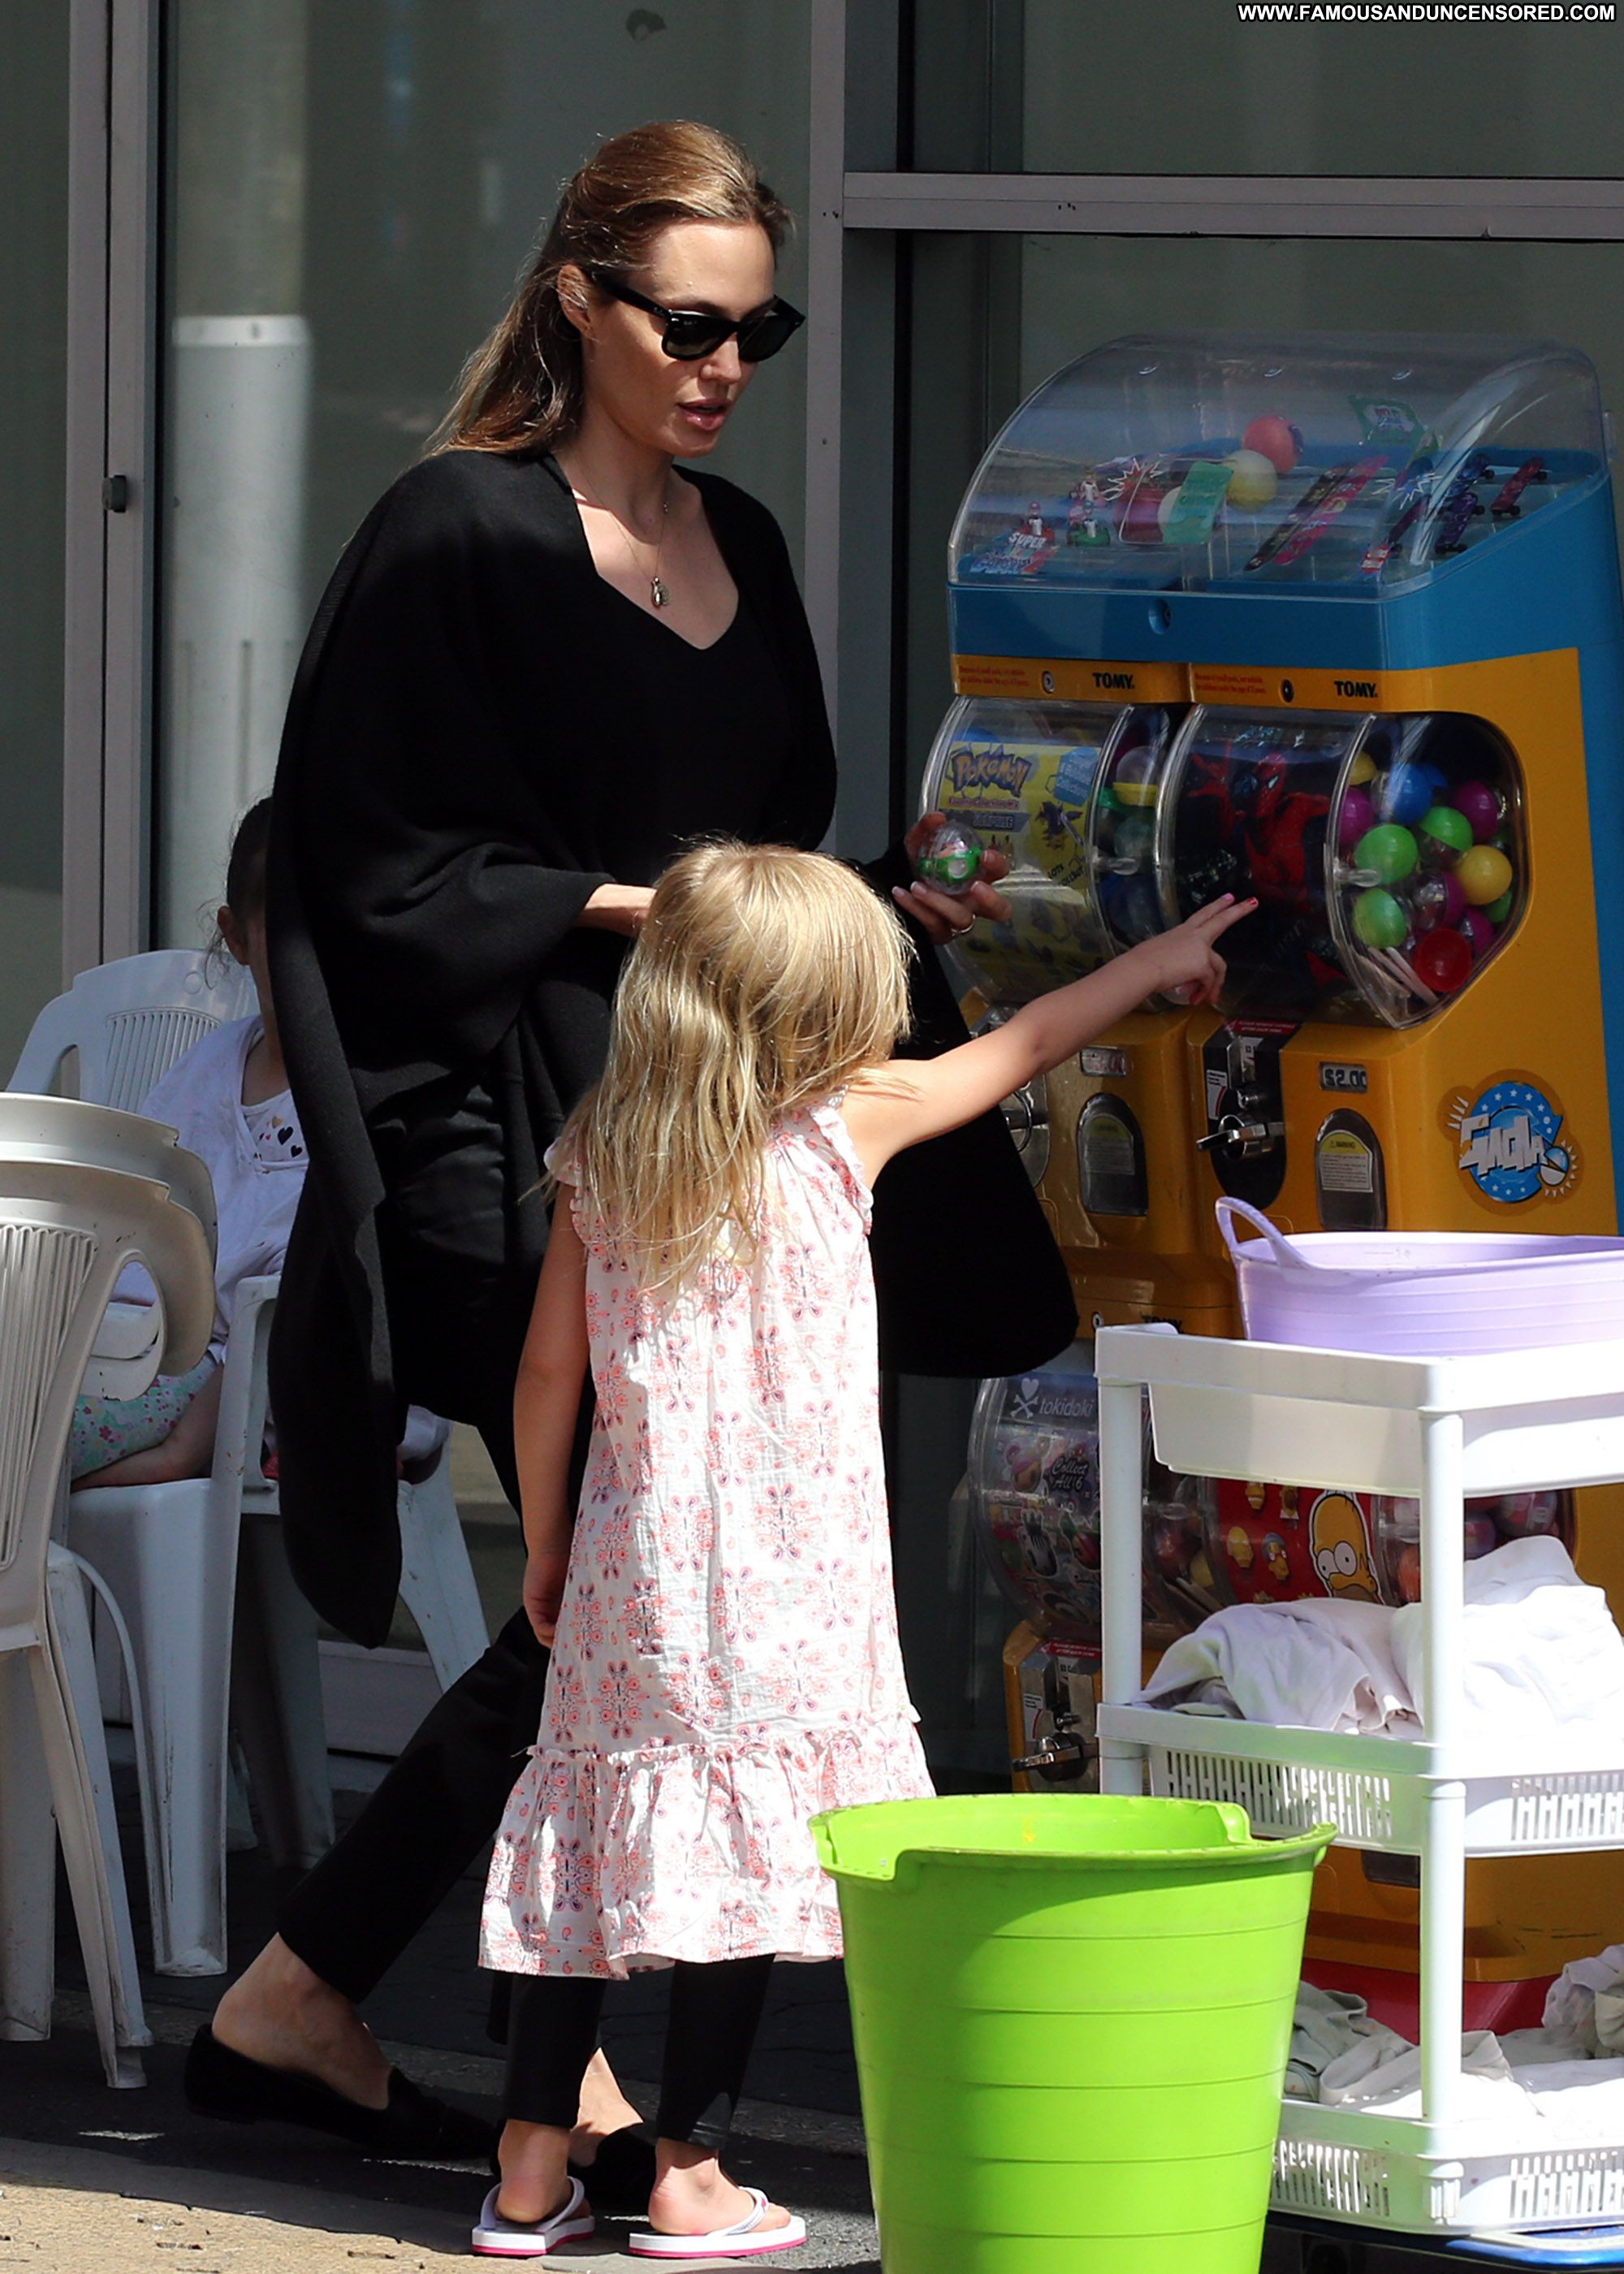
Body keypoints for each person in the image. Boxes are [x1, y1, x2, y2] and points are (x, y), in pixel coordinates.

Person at [191, 121, 1077, 2182]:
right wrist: (634, 906)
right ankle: (533, 2081)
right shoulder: (455, 528)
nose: (724, 364)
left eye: (757, 327)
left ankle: (370, 2015)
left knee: (619, 1598)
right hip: (519, 1134)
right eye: (686, 324)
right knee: (622, 1593)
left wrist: (863, 910)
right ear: (578, 300)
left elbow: (759, 847)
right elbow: (367, 866)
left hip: (712, 1138)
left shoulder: (737, 538)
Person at [469, 846, 1252, 2258]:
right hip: (802, 1586)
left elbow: (544, 1374)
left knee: (587, 1840)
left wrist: (544, 1540)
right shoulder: (846, 1123)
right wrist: (1158, 961)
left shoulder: (603, 1148)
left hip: (636, 1572)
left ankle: (529, 2173)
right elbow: (1029, 1043)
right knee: (757, 1858)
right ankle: (689, 2174)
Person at [70, 799, 445, 1494]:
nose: (319, 953)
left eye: (341, 923)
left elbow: (311, 1304)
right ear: (236, 937)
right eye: (290, 928)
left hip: (221, 1389)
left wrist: (185, 1446)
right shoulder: (209, 1067)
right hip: (120, 1354)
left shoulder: (376, 1097)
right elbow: (126, 1216)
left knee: (26, 1431)